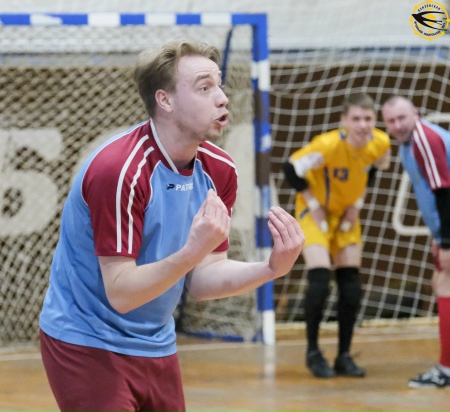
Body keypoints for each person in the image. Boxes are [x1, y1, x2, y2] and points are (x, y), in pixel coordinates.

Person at [38, 39, 305, 412]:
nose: (223, 98)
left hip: (157, 343)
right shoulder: (120, 171)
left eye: (219, 85)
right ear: (164, 100)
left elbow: (202, 279)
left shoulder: (220, 169)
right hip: (87, 342)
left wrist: (271, 268)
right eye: (204, 88)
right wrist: (192, 251)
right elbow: (122, 294)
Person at [282, 92, 391, 378]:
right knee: (320, 278)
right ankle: (313, 352)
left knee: (351, 283)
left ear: (375, 120)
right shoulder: (327, 146)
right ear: (344, 120)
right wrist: (314, 205)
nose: (362, 125)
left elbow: (371, 168)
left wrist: (357, 205)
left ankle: (344, 354)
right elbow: (290, 167)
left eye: (368, 118)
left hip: (345, 214)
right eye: (356, 118)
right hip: (314, 211)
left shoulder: (380, 143)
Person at [382, 95, 450, 388]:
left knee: (444, 285)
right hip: (443, 228)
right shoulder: (408, 144)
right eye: (391, 121)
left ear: (416, 114)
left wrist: (446, 242)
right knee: (441, 284)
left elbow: (445, 191)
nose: (397, 125)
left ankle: (446, 369)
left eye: (402, 118)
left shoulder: (425, 139)